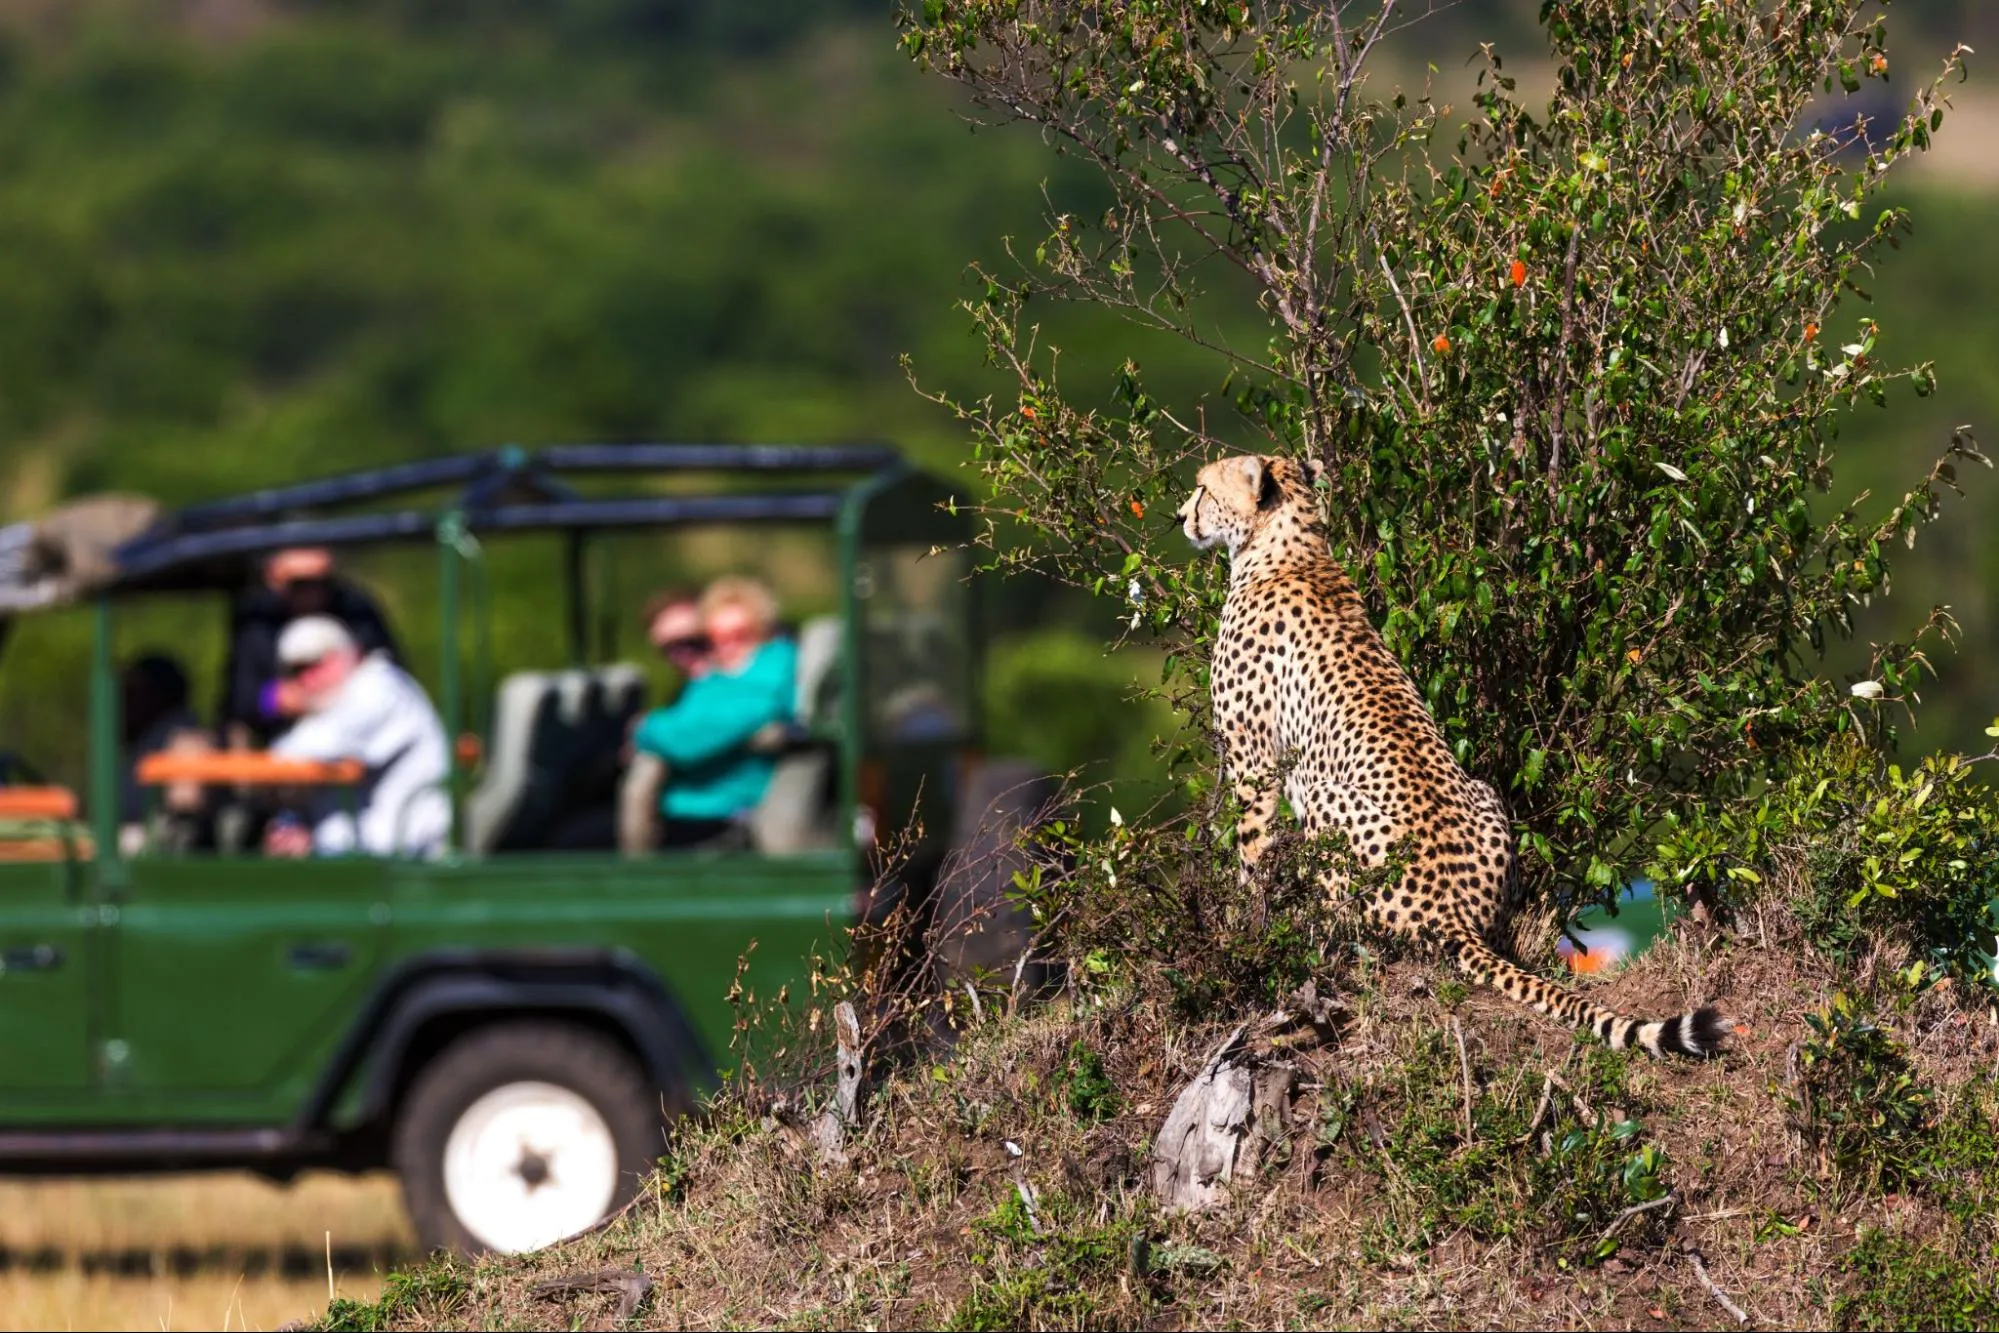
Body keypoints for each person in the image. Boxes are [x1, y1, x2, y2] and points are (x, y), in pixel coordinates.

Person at [264, 615, 450, 858]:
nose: (307, 679)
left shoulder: (379, 689)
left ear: (352, 653)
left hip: (405, 858)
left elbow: (296, 753)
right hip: (360, 857)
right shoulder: (338, 702)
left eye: (316, 664)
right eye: (296, 671)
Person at [630, 576, 797, 847]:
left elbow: (686, 741)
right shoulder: (717, 677)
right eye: (716, 638)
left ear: (762, 630)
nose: (728, 646)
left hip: (723, 815)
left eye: (740, 635)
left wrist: (645, 729)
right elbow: (683, 725)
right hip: (683, 808)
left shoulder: (770, 675)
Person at [219, 547, 402, 747]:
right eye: (299, 584)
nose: (311, 592)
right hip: (282, 737)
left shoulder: (356, 611)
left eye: (320, 582)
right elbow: (240, 699)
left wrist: (340, 688)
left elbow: (389, 675)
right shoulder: (259, 619)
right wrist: (275, 699)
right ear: (273, 578)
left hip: (355, 733)